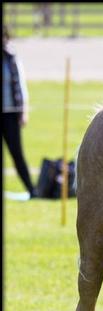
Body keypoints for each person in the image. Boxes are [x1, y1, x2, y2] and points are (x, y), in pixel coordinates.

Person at [3, 25, 36, 198]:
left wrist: (24, 111)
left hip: (10, 113)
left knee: (17, 154)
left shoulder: (11, 58)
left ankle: (32, 189)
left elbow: (21, 86)